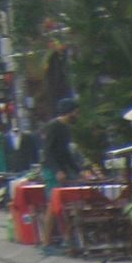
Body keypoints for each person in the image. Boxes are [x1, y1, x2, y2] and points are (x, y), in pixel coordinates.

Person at [38, 95, 85, 253]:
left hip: (62, 169)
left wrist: (79, 170)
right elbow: (48, 152)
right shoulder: (53, 126)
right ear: (69, 112)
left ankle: (67, 238)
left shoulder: (66, 128)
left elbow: (66, 153)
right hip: (52, 170)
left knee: (64, 204)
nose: (77, 116)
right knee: (53, 205)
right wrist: (57, 170)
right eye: (76, 113)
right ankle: (45, 243)